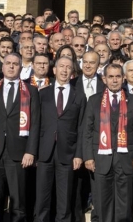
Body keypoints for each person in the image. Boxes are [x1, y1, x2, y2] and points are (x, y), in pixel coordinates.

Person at [0, 53, 40, 222]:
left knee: (18, 204)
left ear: (21, 67)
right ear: (2, 67)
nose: (11, 66)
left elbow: (35, 124)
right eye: (8, 63)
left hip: (19, 154)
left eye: (15, 64)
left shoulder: (31, 91)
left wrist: (31, 151)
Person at [83, 63, 133, 222]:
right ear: (104, 79)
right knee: (102, 201)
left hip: (126, 158)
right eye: (110, 77)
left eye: (118, 76)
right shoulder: (93, 100)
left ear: (124, 78)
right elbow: (87, 131)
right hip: (100, 159)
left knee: (124, 203)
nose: (115, 80)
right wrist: (88, 157)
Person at [35, 57, 87, 222]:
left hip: (68, 153)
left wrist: (79, 154)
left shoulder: (79, 96)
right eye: (61, 67)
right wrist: (33, 152)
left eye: (68, 67)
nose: (65, 70)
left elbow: (82, 127)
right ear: (54, 70)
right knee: (42, 200)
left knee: (64, 202)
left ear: (72, 72)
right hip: (44, 153)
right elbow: (35, 125)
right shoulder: (42, 94)